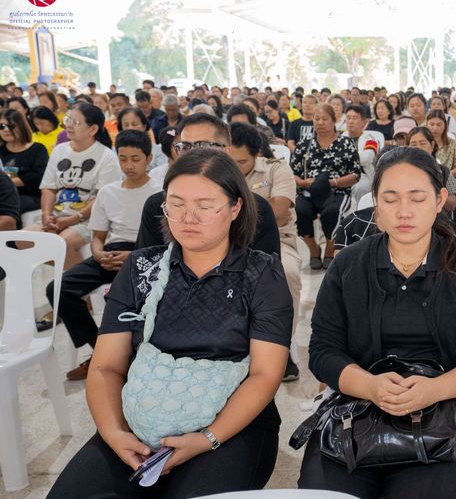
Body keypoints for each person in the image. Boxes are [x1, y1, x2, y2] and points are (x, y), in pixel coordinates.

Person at [22, 149, 292, 499]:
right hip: (139, 423)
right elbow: (108, 367)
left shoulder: (261, 273)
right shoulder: (142, 268)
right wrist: (115, 434)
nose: (189, 217)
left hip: (229, 430)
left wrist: (206, 439)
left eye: (205, 206)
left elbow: (265, 374)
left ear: (235, 207)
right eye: (176, 203)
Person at [299, 145, 456, 499]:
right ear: (376, 207)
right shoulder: (350, 265)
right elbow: (323, 349)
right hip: (358, 409)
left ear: (439, 200)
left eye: (417, 197)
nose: (404, 210)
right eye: (390, 198)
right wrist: (370, 386)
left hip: (446, 409)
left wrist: (433, 390)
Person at [45, 129, 160, 380]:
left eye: (136, 158)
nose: (128, 165)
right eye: (123, 158)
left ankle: (128, 355)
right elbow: (98, 236)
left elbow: (163, 241)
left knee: (118, 298)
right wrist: (97, 254)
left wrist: (134, 257)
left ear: (149, 158)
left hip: (145, 252)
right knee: (58, 288)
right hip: (109, 252)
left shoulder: (159, 191)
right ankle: (100, 350)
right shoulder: (108, 191)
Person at [134, 113, 281, 259]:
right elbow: (144, 267)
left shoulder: (256, 209)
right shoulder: (157, 206)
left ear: (227, 152)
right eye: (184, 146)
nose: (192, 154)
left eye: (202, 146)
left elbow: (266, 273)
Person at [226, 121, 302, 382]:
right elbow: (271, 212)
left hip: (277, 240)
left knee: (287, 273)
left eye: (241, 161)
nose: (234, 169)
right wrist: (264, 210)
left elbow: (279, 211)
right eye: (230, 161)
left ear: (256, 154)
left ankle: (282, 348)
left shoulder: (277, 170)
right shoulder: (215, 172)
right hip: (226, 241)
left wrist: (231, 213)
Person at [35, 103, 120, 269]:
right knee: (22, 239)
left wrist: (71, 220)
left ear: (92, 129)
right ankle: (59, 283)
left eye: (75, 122)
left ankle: (75, 291)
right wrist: (46, 215)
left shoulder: (106, 156)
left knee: (62, 243)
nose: (68, 125)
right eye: (68, 120)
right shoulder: (59, 151)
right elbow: (49, 188)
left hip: (89, 221)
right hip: (57, 218)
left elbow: (100, 199)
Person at [290, 103, 362, 269]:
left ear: (334, 121)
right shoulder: (304, 144)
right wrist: (301, 182)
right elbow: (292, 172)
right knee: (300, 211)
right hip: (308, 191)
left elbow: (355, 174)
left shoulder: (345, 143)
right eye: (317, 119)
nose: (320, 122)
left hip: (337, 191)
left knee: (332, 213)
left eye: (324, 119)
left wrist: (332, 182)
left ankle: (330, 251)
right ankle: (314, 251)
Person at [1, 108, 48, 215]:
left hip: (29, 196)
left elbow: (37, 176)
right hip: (4, 195)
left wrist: (6, 184)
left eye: (11, 125)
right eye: (2, 126)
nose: (6, 129)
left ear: (21, 126)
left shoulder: (37, 149)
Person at [428, 109, 456, 178]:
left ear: (445, 126)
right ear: (427, 124)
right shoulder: (422, 143)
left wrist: (442, 175)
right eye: (431, 124)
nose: (435, 128)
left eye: (439, 125)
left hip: (447, 181)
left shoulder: (454, 144)